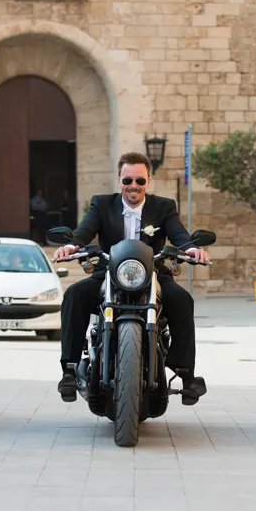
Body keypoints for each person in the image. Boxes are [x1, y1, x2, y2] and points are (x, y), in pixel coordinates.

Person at [52, 152, 212, 406]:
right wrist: (71, 246)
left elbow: (178, 234)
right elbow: (84, 230)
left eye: (139, 181)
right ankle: (69, 369)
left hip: (154, 273)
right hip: (108, 272)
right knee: (75, 294)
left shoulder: (163, 206)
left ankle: (186, 374)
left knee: (182, 299)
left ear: (148, 182)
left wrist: (191, 248)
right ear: (119, 181)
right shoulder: (102, 204)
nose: (133, 186)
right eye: (127, 180)